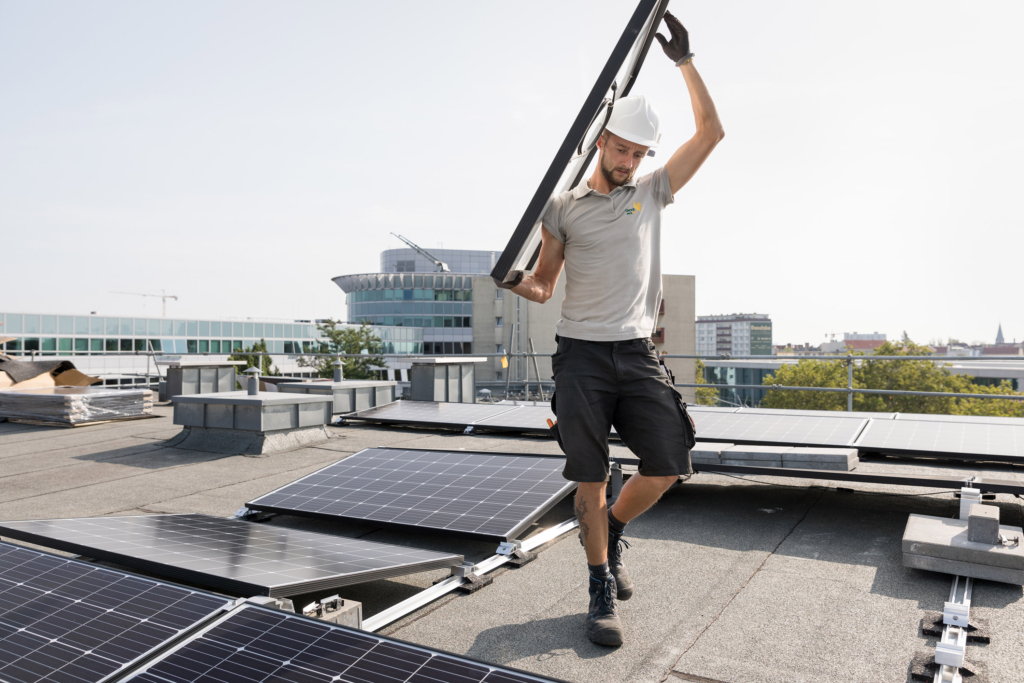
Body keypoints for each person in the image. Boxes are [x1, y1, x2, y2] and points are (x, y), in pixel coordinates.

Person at [501, 12, 724, 647]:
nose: (629, 161)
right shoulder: (562, 207)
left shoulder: (652, 193)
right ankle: (600, 586)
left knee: (669, 460)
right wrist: (511, 280)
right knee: (590, 480)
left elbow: (713, 133)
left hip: (635, 350)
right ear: (601, 141)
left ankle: (614, 529)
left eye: (638, 153)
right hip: (581, 359)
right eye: (621, 148)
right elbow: (544, 286)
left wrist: (685, 61)